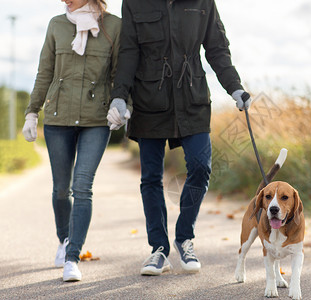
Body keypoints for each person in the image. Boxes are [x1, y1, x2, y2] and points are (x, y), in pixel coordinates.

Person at [107, 0, 252, 276]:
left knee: (201, 166)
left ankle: (184, 237)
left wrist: (235, 87)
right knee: (150, 176)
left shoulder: (203, 2)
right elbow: (128, 52)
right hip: (150, 100)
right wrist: (119, 97)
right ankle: (158, 250)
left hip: (192, 99)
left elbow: (217, 48)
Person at [22, 0, 130, 282]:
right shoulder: (56, 25)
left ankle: (72, 257)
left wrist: (122, 105)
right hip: (58, 119)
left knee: (82, 186)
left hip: (96, 120)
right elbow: (44, 71)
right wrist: (32, 112)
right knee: (61, 189)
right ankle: (63, 240)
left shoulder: (114, 26)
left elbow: (122, 73)